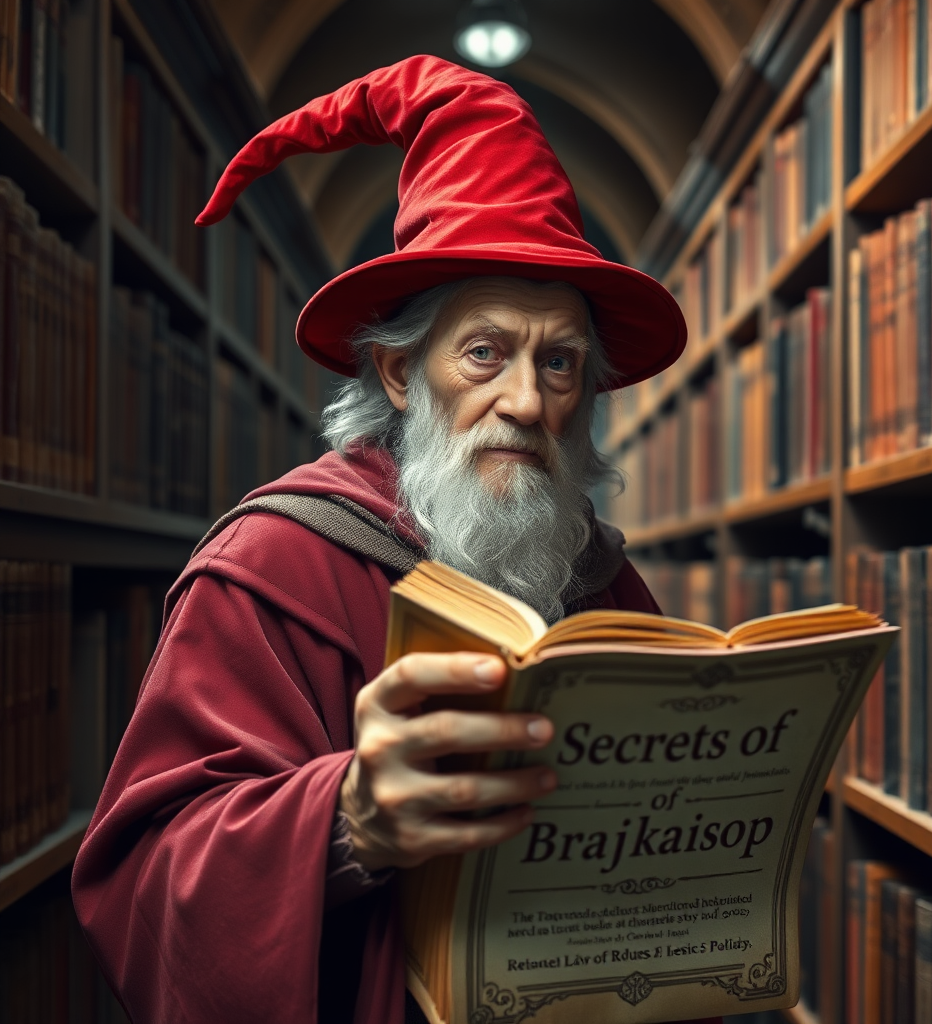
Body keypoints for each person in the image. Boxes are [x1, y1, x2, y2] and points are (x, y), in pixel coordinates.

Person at [72, 55, 699, 1024]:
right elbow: (145, 880)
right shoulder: (272, 563)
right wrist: (344, 821)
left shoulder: (604, 581)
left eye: (561, 362)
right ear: (402, 374)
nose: (527, 401)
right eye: (485, 351)